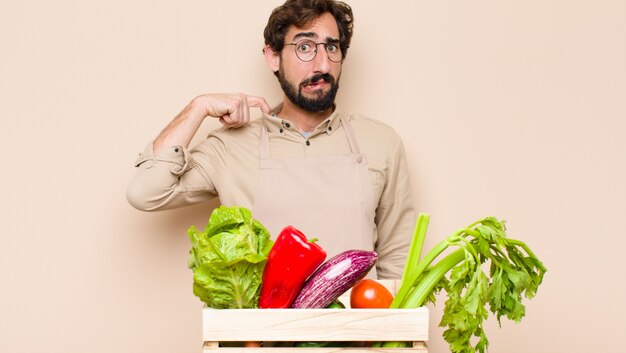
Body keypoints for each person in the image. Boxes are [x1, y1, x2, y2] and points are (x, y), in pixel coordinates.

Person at [127, 0, 415, 279]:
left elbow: (399, 259)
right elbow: (145, 192)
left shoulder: (381, 142)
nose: (323, 65)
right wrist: (198, 107)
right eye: (305, 47)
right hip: (264, 328)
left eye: (332, 47)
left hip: (358, 327)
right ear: (273, 57)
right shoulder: (231, 147)